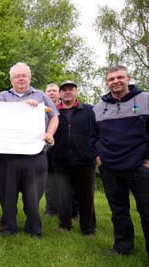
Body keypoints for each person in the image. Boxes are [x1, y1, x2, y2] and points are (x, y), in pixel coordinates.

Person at [0, 62, 58, 237]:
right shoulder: (2, 97)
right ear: (11, 79)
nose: (21, 79)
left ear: (29, 77)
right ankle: (8, 228)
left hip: (36, 155)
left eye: (24, 75)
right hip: (8, 157)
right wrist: (22, 104)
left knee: (33, 197)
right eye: (17, 76)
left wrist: (49, 133)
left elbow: (54, 117)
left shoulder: (41, 95)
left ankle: (34, 229)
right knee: (7, 196)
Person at [92, 65, 149, 256]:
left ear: (128, 78)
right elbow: (92, 137)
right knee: (118, 211)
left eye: (119, 77)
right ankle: (123, 248)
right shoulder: (99, 108)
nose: (115, 81)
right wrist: (98, 158)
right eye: (111, 79)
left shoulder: (145, 99)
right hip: (110, 168)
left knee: (147, 210)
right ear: (107, 82)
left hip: (141, 167)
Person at [51, 81, 96, 235]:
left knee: (86, 197)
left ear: (76, 91)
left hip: (85, 161)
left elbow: (97, 133)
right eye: (64, 90)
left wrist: (93, 152)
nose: (67, 92)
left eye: (71, 89)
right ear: (60, 94)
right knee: (64, 195)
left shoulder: (89, 110)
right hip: (61, 161)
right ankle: (64, 225)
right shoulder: (53, 112)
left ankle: (88, 228)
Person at [44, 83, 60, 217]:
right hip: (47, 151)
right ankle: (50, 209)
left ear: (59, 94)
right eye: (49, 91)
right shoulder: (43, 108)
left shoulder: (64, 108)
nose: (51, 93)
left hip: (63, 151)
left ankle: (73, 210)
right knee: (49, 182)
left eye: (54, 91)